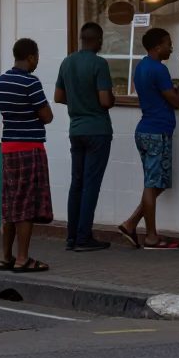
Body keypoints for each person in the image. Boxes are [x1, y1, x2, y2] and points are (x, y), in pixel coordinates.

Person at [120, 27, 179, 250]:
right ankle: (151, 236)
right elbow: (176, 101)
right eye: (169, 44)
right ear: (159, 46)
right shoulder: (158, 69)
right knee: (152, 184)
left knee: (156, 183)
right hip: (157, 132)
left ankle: (131, 224)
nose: (171, 48)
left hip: (146, 130)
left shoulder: (141, 66)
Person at [54, 21, 116, 252]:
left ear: (82, 39)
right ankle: (84, 237)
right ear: (98, 41)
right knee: (91, 185)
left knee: (77, 184)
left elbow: (59, 96)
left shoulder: (67, 61)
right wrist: (111, 99)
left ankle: (71, 237)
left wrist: (79, 102)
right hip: (98, 130)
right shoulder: (99, 64)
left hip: (76, 130)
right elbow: (104, 100)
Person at [0, 37, 54, 273]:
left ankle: (6, 257)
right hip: (29, 148)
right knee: (26, 205)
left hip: (8, 147)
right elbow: (47, 116)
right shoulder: (31, 82)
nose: (38, 61)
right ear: (30, 57)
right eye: (37, 57)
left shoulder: (1, 81)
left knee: (11, 203)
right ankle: (23, 259)